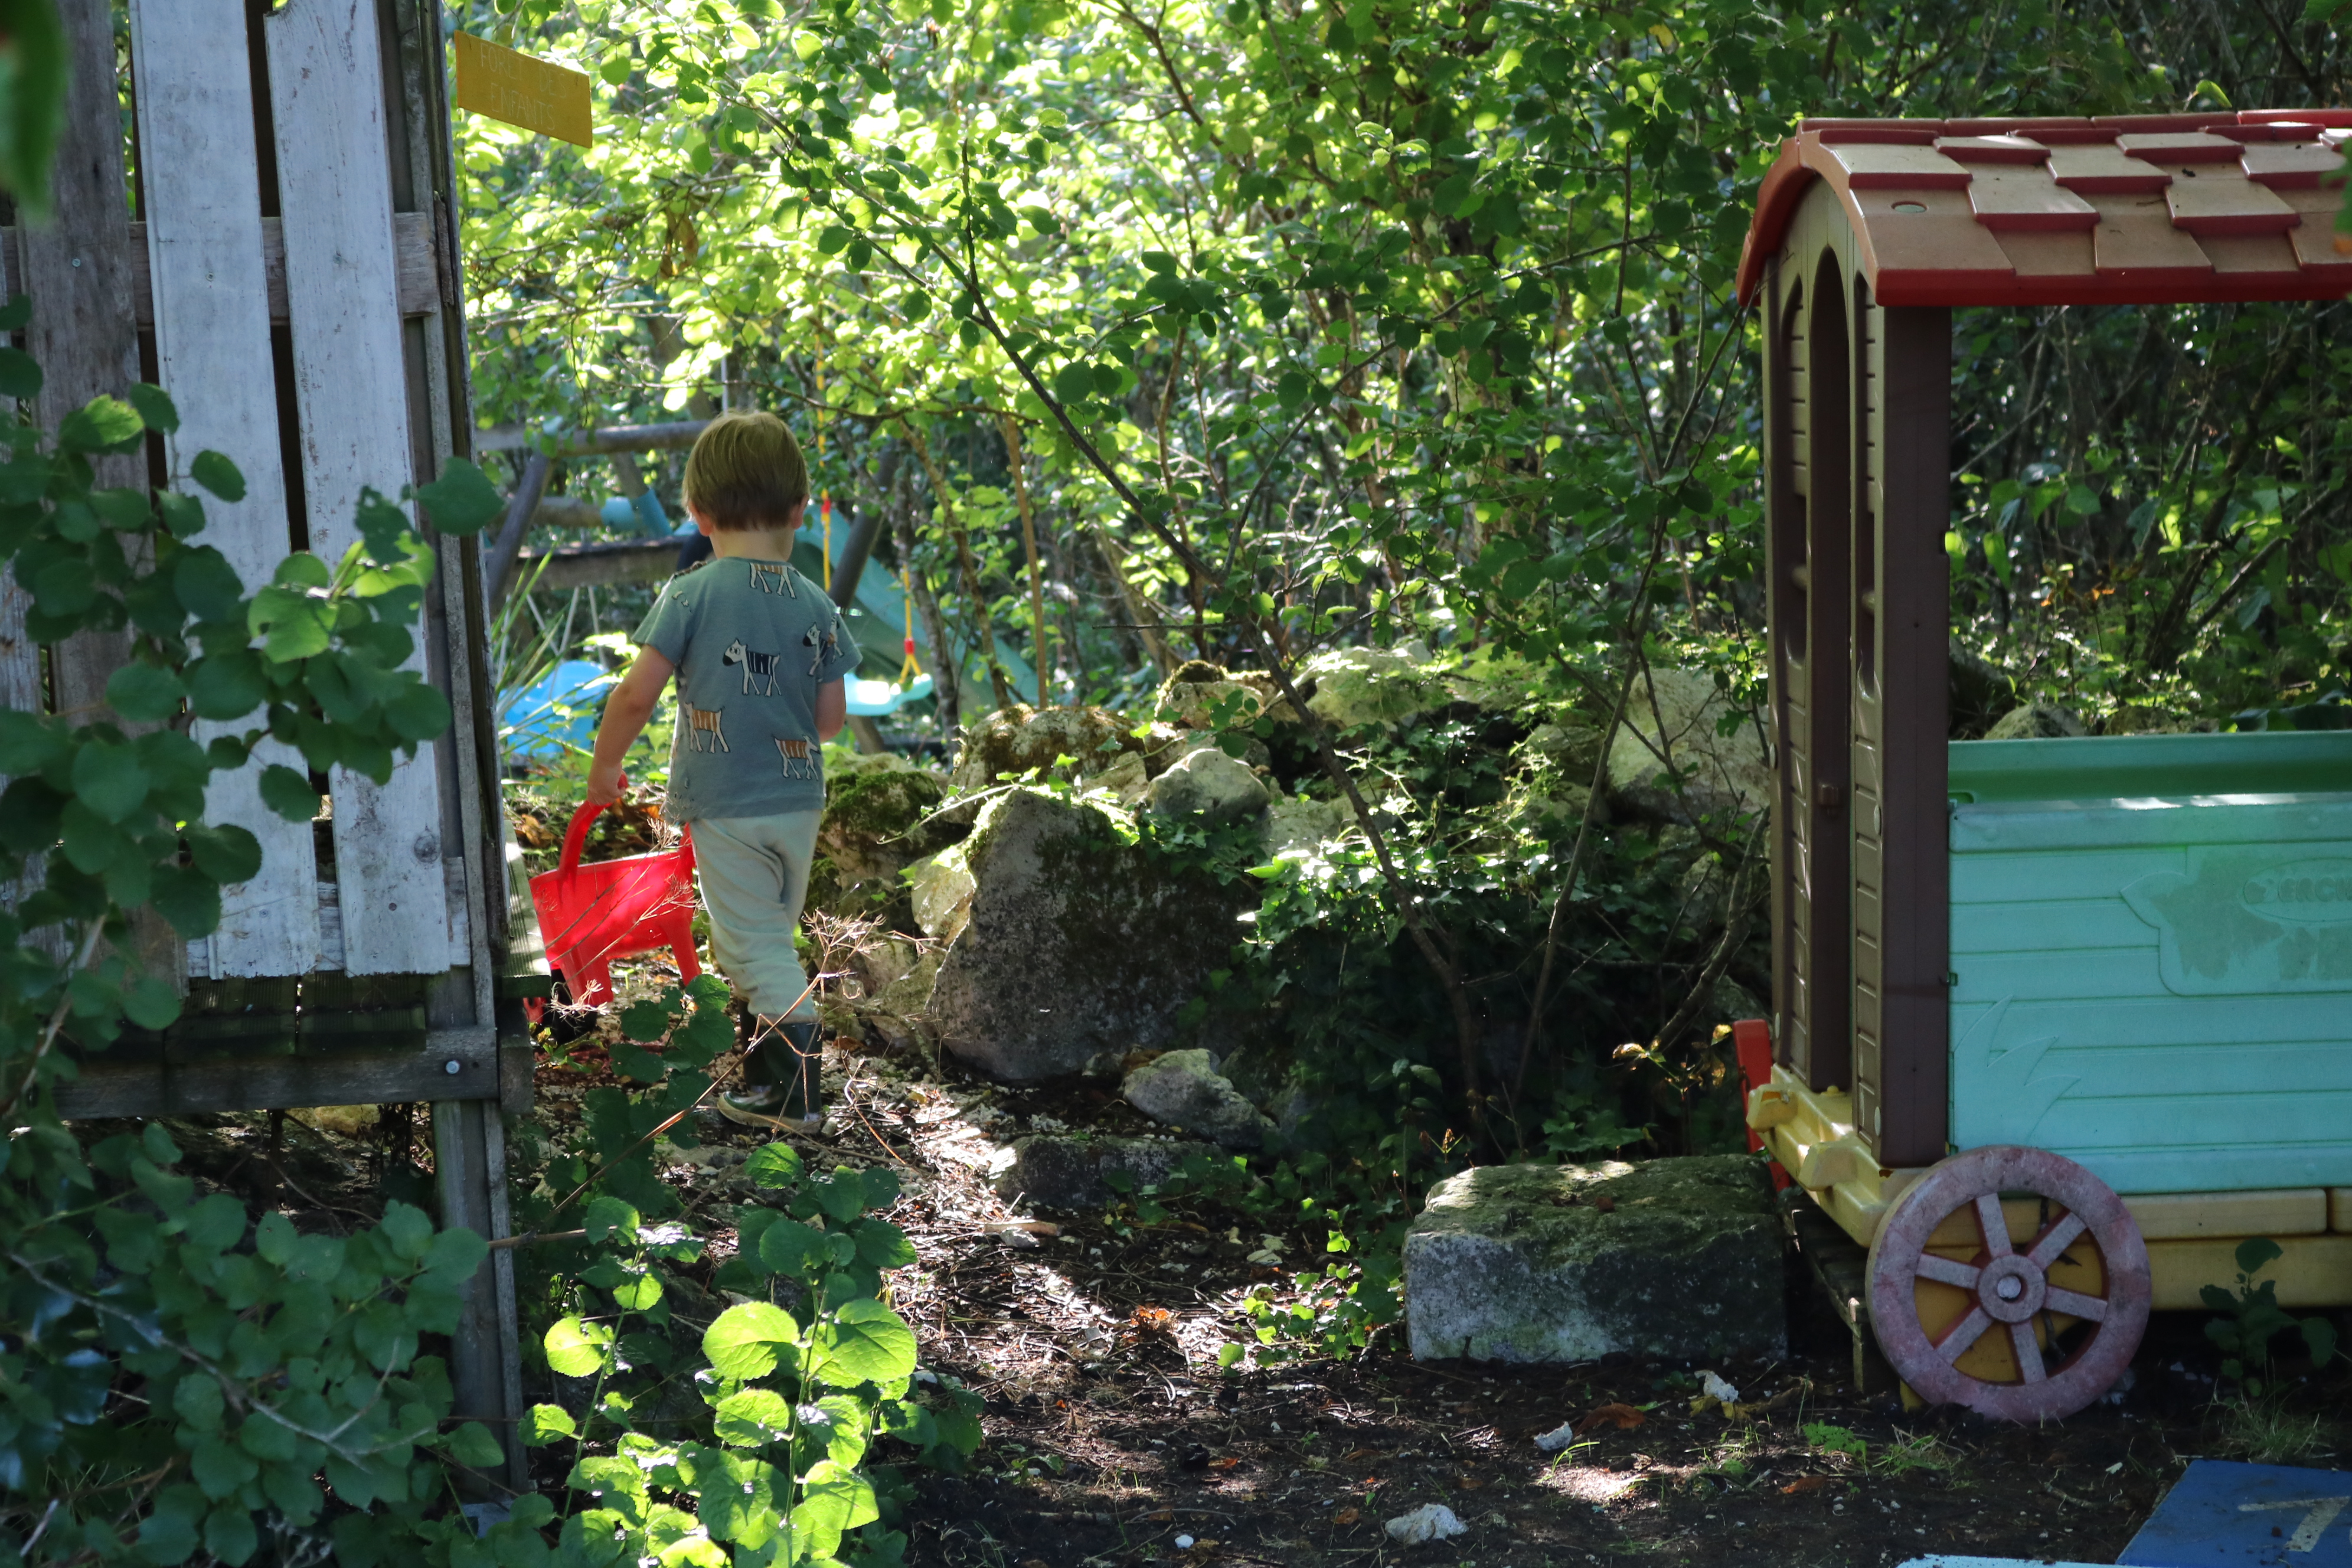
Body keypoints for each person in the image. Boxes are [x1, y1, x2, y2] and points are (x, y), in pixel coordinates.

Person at [584, 411, 857, 1129]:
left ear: (697, 513)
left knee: (751, 945)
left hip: (729, 799)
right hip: (798, 799)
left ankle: (797, 1094)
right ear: (800, 509)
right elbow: (831, 722)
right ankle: (767, 1082)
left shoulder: (691, 594)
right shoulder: (818, 602)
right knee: (771, 934)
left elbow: (635, 693)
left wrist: (606, 765)